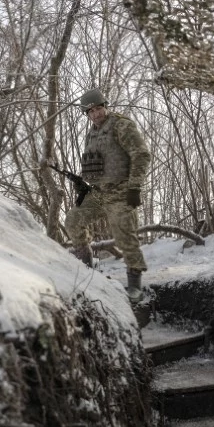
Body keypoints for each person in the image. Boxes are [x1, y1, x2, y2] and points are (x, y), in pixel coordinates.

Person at [66, 88, 150, 303]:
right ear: (87, 114)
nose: (96, 114)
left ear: (105, 106)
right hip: (99, 193)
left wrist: (135, 187)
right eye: (91, 111)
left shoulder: (122, 125)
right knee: (74, 220)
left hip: (122, 191)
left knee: (124, 233)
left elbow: (141, 155)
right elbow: (96, 164)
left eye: (99, 108)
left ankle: (135, 285)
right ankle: (86, 267)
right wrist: (83, 184)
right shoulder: (91, 134)